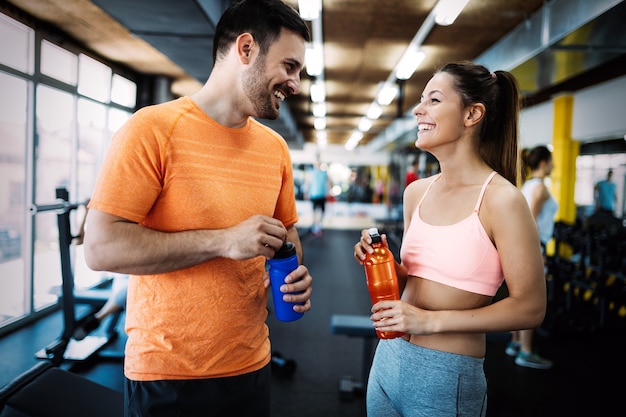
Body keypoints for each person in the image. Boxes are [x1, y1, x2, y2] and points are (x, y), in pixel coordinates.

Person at [82, 1, 313, 416]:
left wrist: (294, 271)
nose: (295, 84)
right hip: (167, 376)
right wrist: (224, 241)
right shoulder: (151, 130)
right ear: (246, 49)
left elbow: (288, 235)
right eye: (290, 66)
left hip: (251, 366)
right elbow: (101, 248)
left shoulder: (274, 147)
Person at [353, 61, 547, 416]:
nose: (418, 109)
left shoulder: (502, 200)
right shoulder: (416, 192)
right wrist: (381, 262)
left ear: (472, 114)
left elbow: (531, 307)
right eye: (421, 99)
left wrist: (430, 321)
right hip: (389, 358)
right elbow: (417, 282)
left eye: (434, 100)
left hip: (445, 374)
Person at [505, 146, 556, 369]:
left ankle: (516, 344)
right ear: (544, 162)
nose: (554, 165)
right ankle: (526, 351)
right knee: (529, 301)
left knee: (519, 297)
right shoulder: (540, 188)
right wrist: (538, 253)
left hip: (523, 247)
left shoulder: (527, 185)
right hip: (534, 247)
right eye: (552, 160)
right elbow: (531, 223)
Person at [72, 273, 129, 340]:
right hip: (123, 276)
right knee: (126, 292)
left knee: (128, 290)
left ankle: (99, 317)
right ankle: (98, 318)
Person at [307, 160, 329, 236]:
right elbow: (308, 182)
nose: (317, 165)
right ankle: (314, 227)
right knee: (314, 212)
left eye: (318, 164)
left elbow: (328, 182)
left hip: (322, 195)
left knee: (322, 212)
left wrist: (328, 192)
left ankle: (318, 226)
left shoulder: (324, 173)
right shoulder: (311, 172)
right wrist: (306, 193)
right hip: (314, 195)